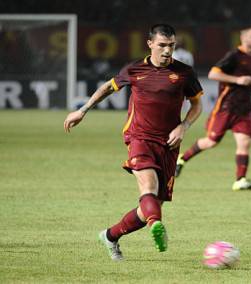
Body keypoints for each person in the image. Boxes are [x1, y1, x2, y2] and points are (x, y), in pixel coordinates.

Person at [63, 24, 203, 260]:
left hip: (169, 143)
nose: (168, 51)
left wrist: (184, 126)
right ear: (150, 44)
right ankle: (156, 226)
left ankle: (110, 236)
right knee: (148, 189)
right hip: (139, 137)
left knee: (152, 204)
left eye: (171, 46)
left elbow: (197, 105)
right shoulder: (135, 68)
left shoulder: (184, 73)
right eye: (162, 45)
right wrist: (83, 110)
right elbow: (109, 87)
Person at [175, 26, 251, 191]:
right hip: (226, 107)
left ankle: (240, 179)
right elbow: (213, 74)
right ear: (244, 38)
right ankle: (182, 159)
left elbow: (248, 80)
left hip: (244, 109)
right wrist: (237, 80)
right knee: (211, 142)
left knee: (244, 143)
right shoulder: (234, 56)